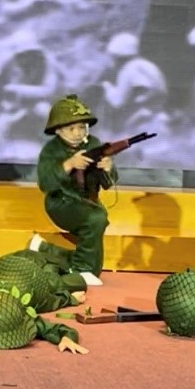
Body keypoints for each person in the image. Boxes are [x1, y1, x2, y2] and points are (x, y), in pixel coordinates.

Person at [36, 95, 115, 286]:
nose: (78, 133)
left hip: (87, 201)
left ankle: (47, 250)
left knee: (95, 267)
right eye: (71, 129)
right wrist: (69, 164)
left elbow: (107, 183)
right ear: (58, 130)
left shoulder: (93, 144)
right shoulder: (51, 150)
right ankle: (80, 271)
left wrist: (107, 168)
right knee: (95, 219)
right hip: (61, 202)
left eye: (82, 127)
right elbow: (46, 183)